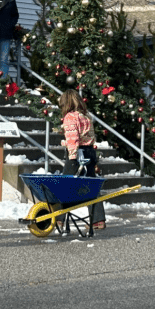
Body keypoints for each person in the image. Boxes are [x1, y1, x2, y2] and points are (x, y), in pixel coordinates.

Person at [59, 89, 105, 230]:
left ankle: (58, 219)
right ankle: (98, 219)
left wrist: (72, 157)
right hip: (89, 152)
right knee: (91, 186)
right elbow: (88, 136)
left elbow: (73, 139)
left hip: (78, 154)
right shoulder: (86, 116)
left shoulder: (70, 117)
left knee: (63, 186)